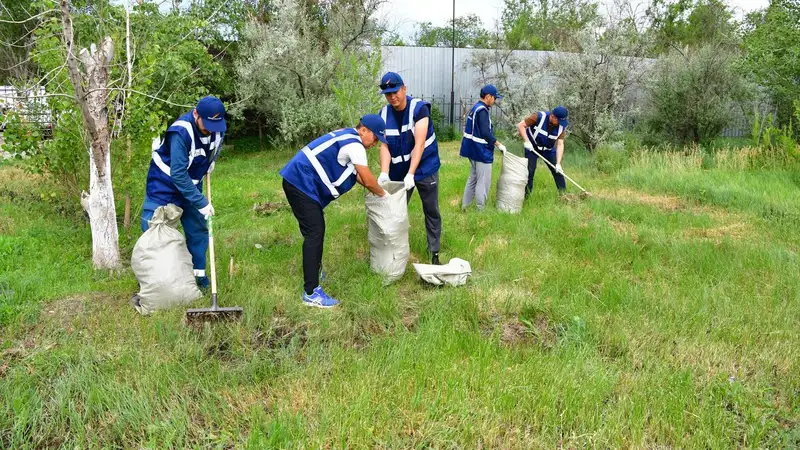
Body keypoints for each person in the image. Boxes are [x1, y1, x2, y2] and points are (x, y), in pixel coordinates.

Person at [280, 115, 388, 309]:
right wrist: (385, 195)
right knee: (315, 232)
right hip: (301, 183)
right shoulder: (355, 145)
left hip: (296, 179)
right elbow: (367, 178)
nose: (375, 143)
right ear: (365, 130)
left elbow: (357, 177)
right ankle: (311, 292)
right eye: (376, 138)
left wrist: (377, 191)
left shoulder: (347, 135)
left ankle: (315, 269)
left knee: (313, 230)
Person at [142, 96, 226, 290]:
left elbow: (217, 144)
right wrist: (201, 202)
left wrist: (211, 161)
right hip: (164, 186)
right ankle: (154, 281)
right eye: (207, 125)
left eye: (216, 125)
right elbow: (178, 174)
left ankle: (198, 278)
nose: (211, 130)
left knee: (198, 230)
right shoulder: (180, 132)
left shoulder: (217, 127)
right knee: (153, 230)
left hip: (192, 184)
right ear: (196, 114)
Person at [375, 72, 443, 265]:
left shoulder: (419, 109)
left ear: (404, 88)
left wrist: (412, 174)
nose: (392, 97)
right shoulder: (384, 114)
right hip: (398, 171)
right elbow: (385, 145)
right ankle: (393, 253)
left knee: (431, 209)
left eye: (395, 91)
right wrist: (384, 173)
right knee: (393, 210)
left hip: (424, 167)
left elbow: (419, 144)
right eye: (388, 94)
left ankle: (434, 253)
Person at [460, 84, 507, 211]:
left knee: (473, 178)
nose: (495, 100)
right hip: (480, 150)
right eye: (494, 98)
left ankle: (465, 206)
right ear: (488, 97)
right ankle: (481, 210)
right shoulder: (482, 111)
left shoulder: (476, 107)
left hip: (471, 149)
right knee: (483, 181)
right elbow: (486, 133)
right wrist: (499, 144)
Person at [517, 106, 569, 197]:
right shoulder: (538, 117)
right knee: (530, 171)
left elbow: (560, 144)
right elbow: (521, 125)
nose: (560, 124)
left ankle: (564, 195)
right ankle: (526, 196)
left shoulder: (561, 126)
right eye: (559, 121)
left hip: (548, 149)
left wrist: (558, 163)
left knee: (558, 172)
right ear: (552, 116)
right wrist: (527, 141)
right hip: (532, 147)